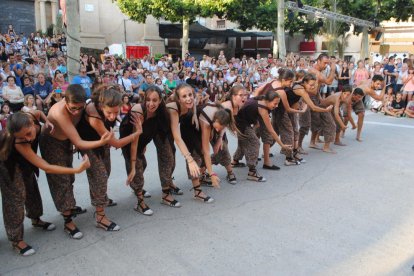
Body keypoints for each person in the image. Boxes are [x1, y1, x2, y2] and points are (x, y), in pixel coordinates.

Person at [0, 112, 90, 256]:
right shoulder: (19, 142)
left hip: (24, 163)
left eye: (29, 133)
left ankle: (36, 220)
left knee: (31, 189)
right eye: (23, 137)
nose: (29, 138)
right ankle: (16, 240)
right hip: (8, 166)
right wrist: (76, 170)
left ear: (31, 122)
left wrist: (46, 121)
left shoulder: (32, 115)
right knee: (15, 199)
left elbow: (40, 113)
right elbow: (46, 166)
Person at [39, 84, 113, 239]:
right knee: (61, 180)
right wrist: (101, 142)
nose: (76, 111)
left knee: (70, 178)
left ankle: (70, 207)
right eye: (73, 108)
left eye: (80, 108)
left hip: (67, 140)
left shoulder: (83, 106)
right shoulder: (60, 112)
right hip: (51, 142)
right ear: (65, 101)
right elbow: (79, 142)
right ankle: (68, 221)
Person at [76, 84, 143, 230]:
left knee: (105, 173)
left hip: (102, 143)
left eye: (115, 112)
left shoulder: (110, 107)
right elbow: (117, 143)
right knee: (99, 177)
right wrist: (137, 133)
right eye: (109, 113)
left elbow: (110, 137)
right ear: (101, 105)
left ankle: (101, 199)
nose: (112, 116)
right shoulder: (93, 115)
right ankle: (100, 216)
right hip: (89, 145)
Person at [121, 86, 183, 214]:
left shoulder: (162, 113)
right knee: (138, 166)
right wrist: (132, 165)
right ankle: (140, 201)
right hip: (130, 139)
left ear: (160, 100)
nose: (151, 103)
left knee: (167, 157)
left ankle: (166, 193)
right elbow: (134, 142)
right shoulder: (139, 111)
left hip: (146, 136)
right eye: (148, 100)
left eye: (155, 100)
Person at [166, 84, 214, 203]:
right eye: (184, 96)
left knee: (172, 160)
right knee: (167, 159)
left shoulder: (191, 103)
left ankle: (170, 183)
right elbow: (177, 137)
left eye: (190, 95)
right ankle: (165, 193)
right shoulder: (173, 109)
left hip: (170, 130)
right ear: (178, 99)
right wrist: (189, 159)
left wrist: (194, 116)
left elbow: (193, 105)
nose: (188, 98)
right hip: (159, 131)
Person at [233, 89, 292, 182]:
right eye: (275, 103)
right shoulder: (263, 108)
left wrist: (256, 122)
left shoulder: (263, 100)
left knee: (245, 140)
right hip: (241, 123)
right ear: (268, 101)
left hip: (247, 120)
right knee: (254, 143)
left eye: (277, 104)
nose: (276, 106)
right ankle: (252, 172)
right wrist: (282, 145)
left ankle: (235, 161)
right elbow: (271, 131)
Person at [343, 75, 386, 141]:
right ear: (373, 81)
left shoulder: (367, 81)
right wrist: (384, 87)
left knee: (361, 114)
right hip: (349, 99)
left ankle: (358, 136)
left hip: (358, 99)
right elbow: (380, 98)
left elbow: (360, 83)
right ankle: (342, 132)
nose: (379, 86)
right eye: (377, 84)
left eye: (380, 84)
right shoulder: (369, 90)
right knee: (346, 117)